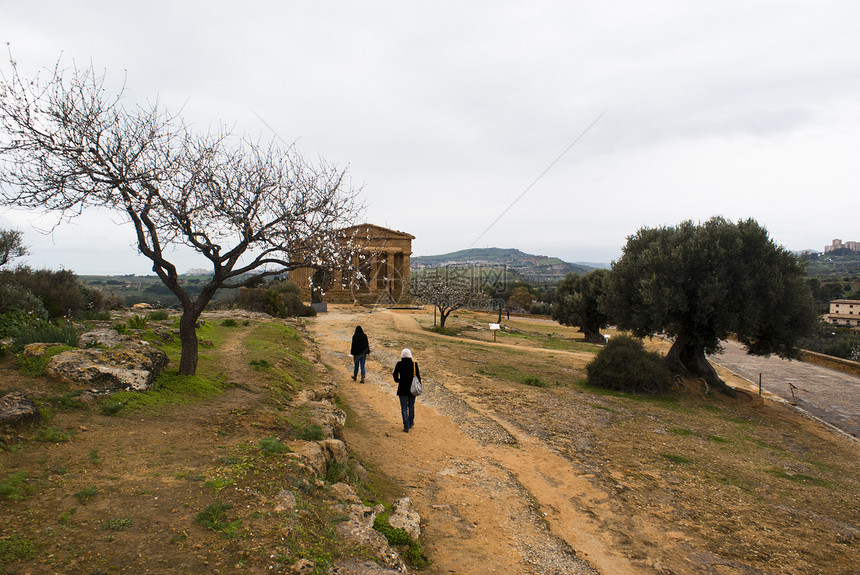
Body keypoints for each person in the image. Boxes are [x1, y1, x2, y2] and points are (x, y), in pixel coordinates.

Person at [393, 348, 420, 432]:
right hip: (412, 389)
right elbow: (418, 377)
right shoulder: (414, 364)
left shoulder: (399, 364)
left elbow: (395, 374)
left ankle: (406, 426)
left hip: (402, 389)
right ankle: (411, 422)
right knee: (411, 406)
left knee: (404, 408)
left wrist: (397, 380)